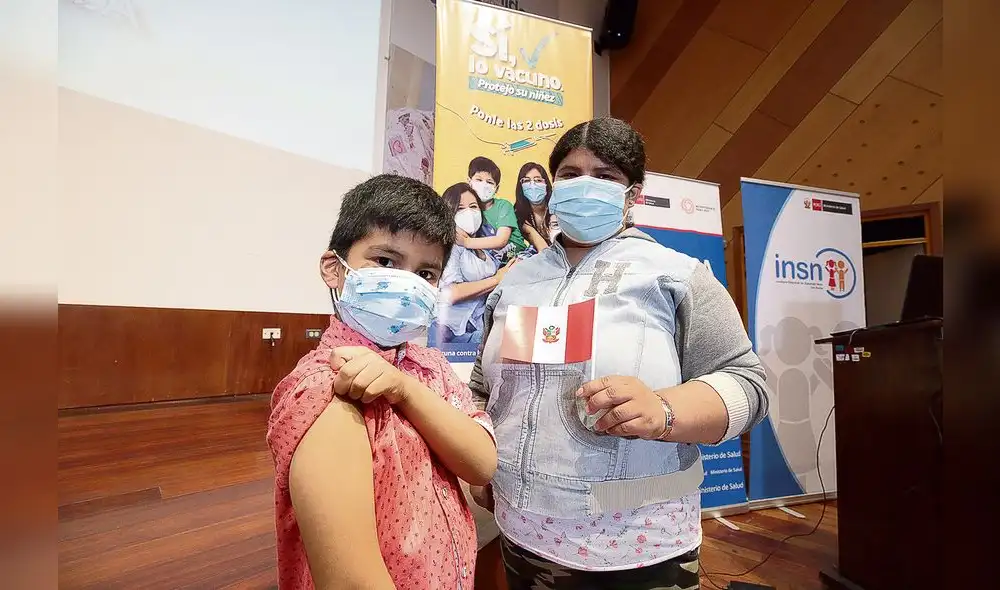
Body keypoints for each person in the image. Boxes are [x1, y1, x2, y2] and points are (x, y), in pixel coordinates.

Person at [468, 118, 769, 590]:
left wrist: (665, 410)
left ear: (634, 195)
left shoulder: (676, 276)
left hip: (639, 544)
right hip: (524, 534)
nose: (584, 185)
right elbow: (486, 388)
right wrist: (480, 457)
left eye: (605, 176)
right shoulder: (518, 280)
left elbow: (748, 384)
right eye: (569, 174)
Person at [266, 174, 498, 590]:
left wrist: (406, 390)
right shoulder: (327, 391)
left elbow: (480, 464)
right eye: (386, 262)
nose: (408, 284)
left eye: (426, 272)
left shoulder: (431, 368)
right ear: (334, 269)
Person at [433, 182, 518, 345]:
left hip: (476, 328)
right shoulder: (449, 246)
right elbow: (450, 293)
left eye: (473, 207)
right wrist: (497, 279)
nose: (469, 213)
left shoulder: (482, 249)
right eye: (460, 208)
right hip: (449, 332)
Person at [460, 156, 527, 258]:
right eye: (479, 179)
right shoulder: (468, 210)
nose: (484, 185)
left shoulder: (503, 206)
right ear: (469, 182)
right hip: (492, 261)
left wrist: (466, 242)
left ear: (496, 188)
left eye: (490, 182)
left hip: (517, 256)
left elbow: (501, 240)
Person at [513, 161, 560, 252]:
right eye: (526, 181)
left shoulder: (557, 206)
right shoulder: (519, 215)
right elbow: (543, 250)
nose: (532, 185)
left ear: (546, 184)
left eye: (538, 180)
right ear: (521, 186)